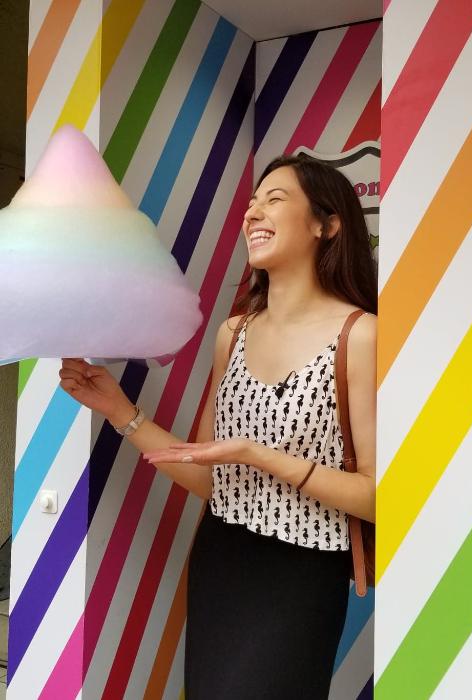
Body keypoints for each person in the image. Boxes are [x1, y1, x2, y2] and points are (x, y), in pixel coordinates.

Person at [59, 153, 377, 700]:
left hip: (302, 574)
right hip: (221, 556)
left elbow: (378, 498)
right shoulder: (234, 332)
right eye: (253, 201)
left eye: (275, 199)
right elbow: (210, 476)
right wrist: (118, 410)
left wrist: (261, 455)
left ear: (327, 225)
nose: (254, 211)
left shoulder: (361, 335)